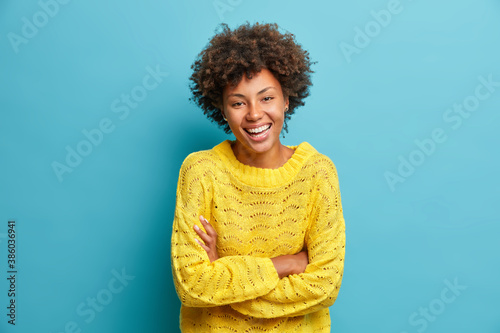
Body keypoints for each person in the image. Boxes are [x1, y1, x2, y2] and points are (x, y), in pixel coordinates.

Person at [171, 22, 346, 332]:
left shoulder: (317, 173)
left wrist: (223, 274)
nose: (253, 114)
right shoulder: (201, 172)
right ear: (222, 110)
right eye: (238, 102)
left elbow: (325, 287)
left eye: (267, 98)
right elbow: (192, 285)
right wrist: (286, 264)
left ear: (287, 100)